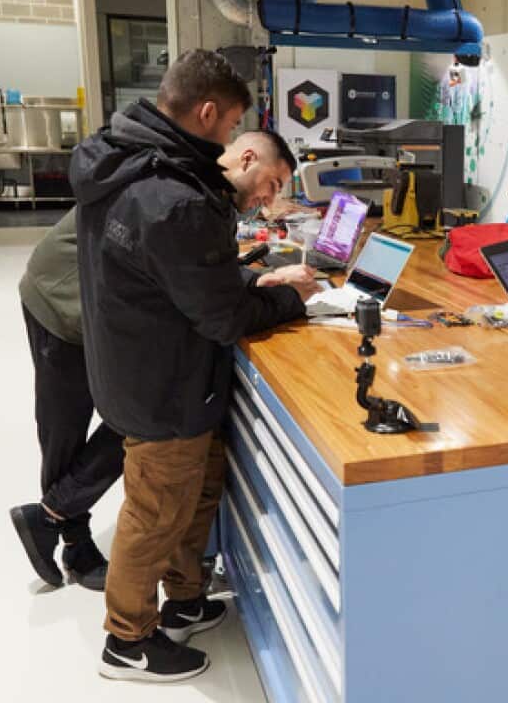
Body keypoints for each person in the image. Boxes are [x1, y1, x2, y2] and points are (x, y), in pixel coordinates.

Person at [71, 49, 320, 683]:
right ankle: (126, 641)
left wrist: (252, 276)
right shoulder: (174, 197)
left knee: (189, 498)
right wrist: (290, 299)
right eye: (233, 122)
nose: (233, 136)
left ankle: (183, 602)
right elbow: (223, 317)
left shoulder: (124, 161)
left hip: (148, 366)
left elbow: (175, 278)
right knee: (155, 515)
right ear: (209, 113)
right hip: (162, 383)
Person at [10, 130, 312, 592]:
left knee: (137, 415)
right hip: (63, 299)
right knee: (73, 424)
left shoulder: (205, 184)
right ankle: (63, 525)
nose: (271, 198)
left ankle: (57, 519)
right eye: (273, 182)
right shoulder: (187, 186)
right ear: (248, 157)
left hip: (114, 300)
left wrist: (256, 279)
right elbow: (184, 266)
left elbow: (186, 264)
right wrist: (279, 295)